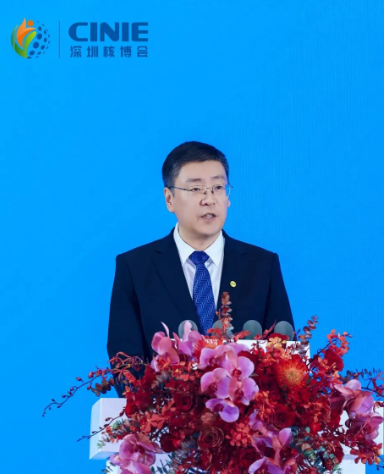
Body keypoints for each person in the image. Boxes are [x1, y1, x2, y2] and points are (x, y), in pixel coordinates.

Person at [107, 141, 294, 397]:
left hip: (244, 417)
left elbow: (283, 358)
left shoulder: (262, 265)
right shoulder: (135, 267)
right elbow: (125, 363)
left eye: (217, 187)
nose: (209, 199)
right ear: (169, 199)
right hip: (165, 417)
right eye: (196, 189)